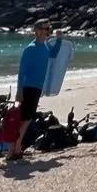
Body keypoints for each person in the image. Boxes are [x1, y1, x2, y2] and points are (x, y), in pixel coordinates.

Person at [8, 20, 62, 163]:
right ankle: (14, 149)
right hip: (28, 88)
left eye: (49, 29)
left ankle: (13, 149)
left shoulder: (44, 46)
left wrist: (59, 40)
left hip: (37, 88)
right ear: (37, 31)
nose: (48, 31)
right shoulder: (30, 49)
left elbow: (54, 54)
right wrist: (19, 91)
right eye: (45, 29)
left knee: (25, 119)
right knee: (25, 119)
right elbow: (21, 72)